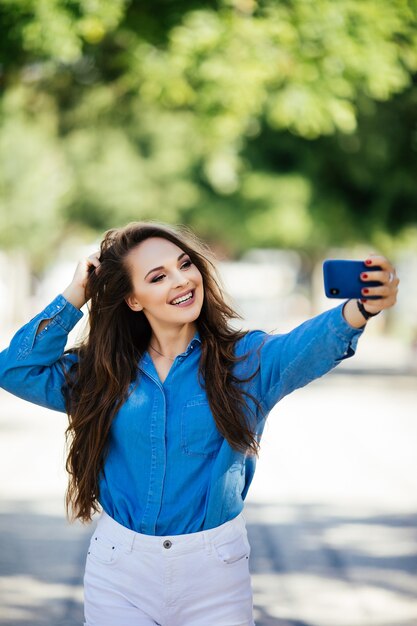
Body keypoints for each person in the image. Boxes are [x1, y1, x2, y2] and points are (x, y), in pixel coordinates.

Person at [0, 221, 399, 626]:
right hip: (120, 571)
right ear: (133, 300)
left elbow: (305, 346)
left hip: (215, 574)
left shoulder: (245, 362)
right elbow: (15, 369)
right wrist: (76, 295)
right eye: (158, 277)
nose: (182, 280)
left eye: (185, 264)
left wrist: (360, 308)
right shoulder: (102, 373)